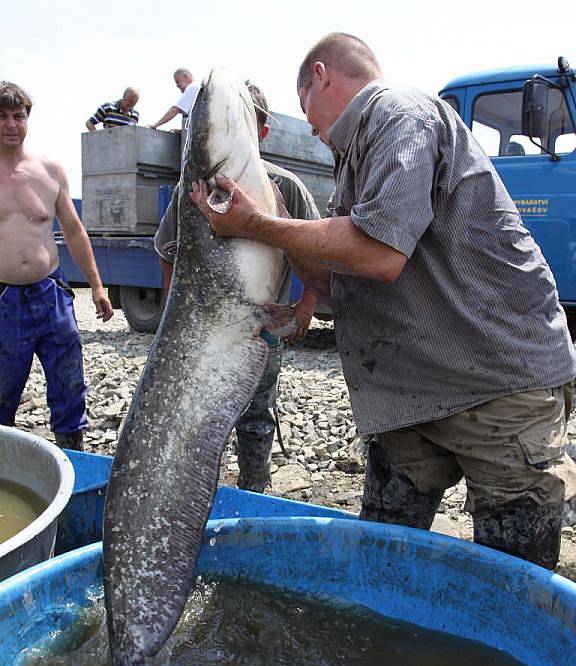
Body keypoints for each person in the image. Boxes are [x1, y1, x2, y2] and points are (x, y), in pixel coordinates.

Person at [190, 33, 576, 570]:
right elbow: (335, 285)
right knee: (383, 564)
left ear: (323, 76)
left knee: (515, 575)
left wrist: (259, 223)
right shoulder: (350, 168)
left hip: (496, 386)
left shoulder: (400, 114)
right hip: (408, 399)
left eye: (306, 107)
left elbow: (379, 253)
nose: (312, 129)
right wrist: (276, 222)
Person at [155, 82, 319, 493]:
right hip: (207, 332)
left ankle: (253, 486)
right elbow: (166, 249)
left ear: (261, 133)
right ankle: (198, 487)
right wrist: (174, 316)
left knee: (258, 416)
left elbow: (317, 255)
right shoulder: (192, 190)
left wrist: (304, 309)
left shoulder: (288, 188)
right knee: (203, 413)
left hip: (260, 327)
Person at [0, 81, 114, 450]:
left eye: (18, 116)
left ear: (28, 119)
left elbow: (75, 231)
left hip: (51, 294)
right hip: (3, 301)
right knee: (2, 394)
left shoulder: (49, 170)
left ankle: (73, 461)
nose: (11, 125)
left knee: (69, 386)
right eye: (1, 117)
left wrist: (96, 286)